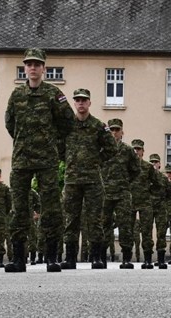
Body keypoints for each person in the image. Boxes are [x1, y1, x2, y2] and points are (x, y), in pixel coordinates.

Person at [4, 48, 74, 273]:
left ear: (44, 68)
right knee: (19, 208)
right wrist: (25, 141)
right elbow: (10, 124)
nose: (32, 68)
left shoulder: (54, 94)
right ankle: (18, 258)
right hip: (22, 159)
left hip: (47, 160)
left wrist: (51, 141)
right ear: (25, 68)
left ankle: (52, 256)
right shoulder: (16, 95)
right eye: (29, 64)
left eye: (37, 64)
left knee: (52, 207)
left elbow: (68, 122)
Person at [60, 88, 115, 270]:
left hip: (92, 180)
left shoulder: (98, 126)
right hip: (72, 180)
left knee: (95, 220)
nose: (81, 103)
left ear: (90, 103)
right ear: (74, 104)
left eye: (84, 100)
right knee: (71, 219)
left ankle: (96, 257)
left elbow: (111, 148)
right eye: (78, 100)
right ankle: (70, 257)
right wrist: (68, 159)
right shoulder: (67, 125)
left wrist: (96, 160)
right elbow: (58, 145)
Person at [101, 119, 140, 269]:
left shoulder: (128, 150)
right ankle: (101, 257)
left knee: (125, 225)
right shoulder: (102, 149)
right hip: (105, 192)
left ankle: (126, 257)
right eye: (112, 130)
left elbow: (135, 170)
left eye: (117, 130)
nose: (114, 132)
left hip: (122, 192)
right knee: (103, 224)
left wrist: (125, 181)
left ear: (122, 132)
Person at [130, 139, 157, 269]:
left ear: (143, 151)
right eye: (134, 149)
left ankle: (147, 259)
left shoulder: (148, 167)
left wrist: (149, 195)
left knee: (147, 231)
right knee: (127, 230)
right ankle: (126, 259)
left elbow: (156, 184)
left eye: (138, 149)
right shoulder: (126, 166)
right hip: (129, 201)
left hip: (145, 202)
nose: (136, 151)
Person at [148, 153, 170, 268]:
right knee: (147, 232)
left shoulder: (163, 178)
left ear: (160, 164)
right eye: (151, 162)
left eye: (155, 162)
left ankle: (161, 259)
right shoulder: (145, 176)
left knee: (161, 233)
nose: (153, 164)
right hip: (148, 206)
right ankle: (147, 259)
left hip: (161, 207)